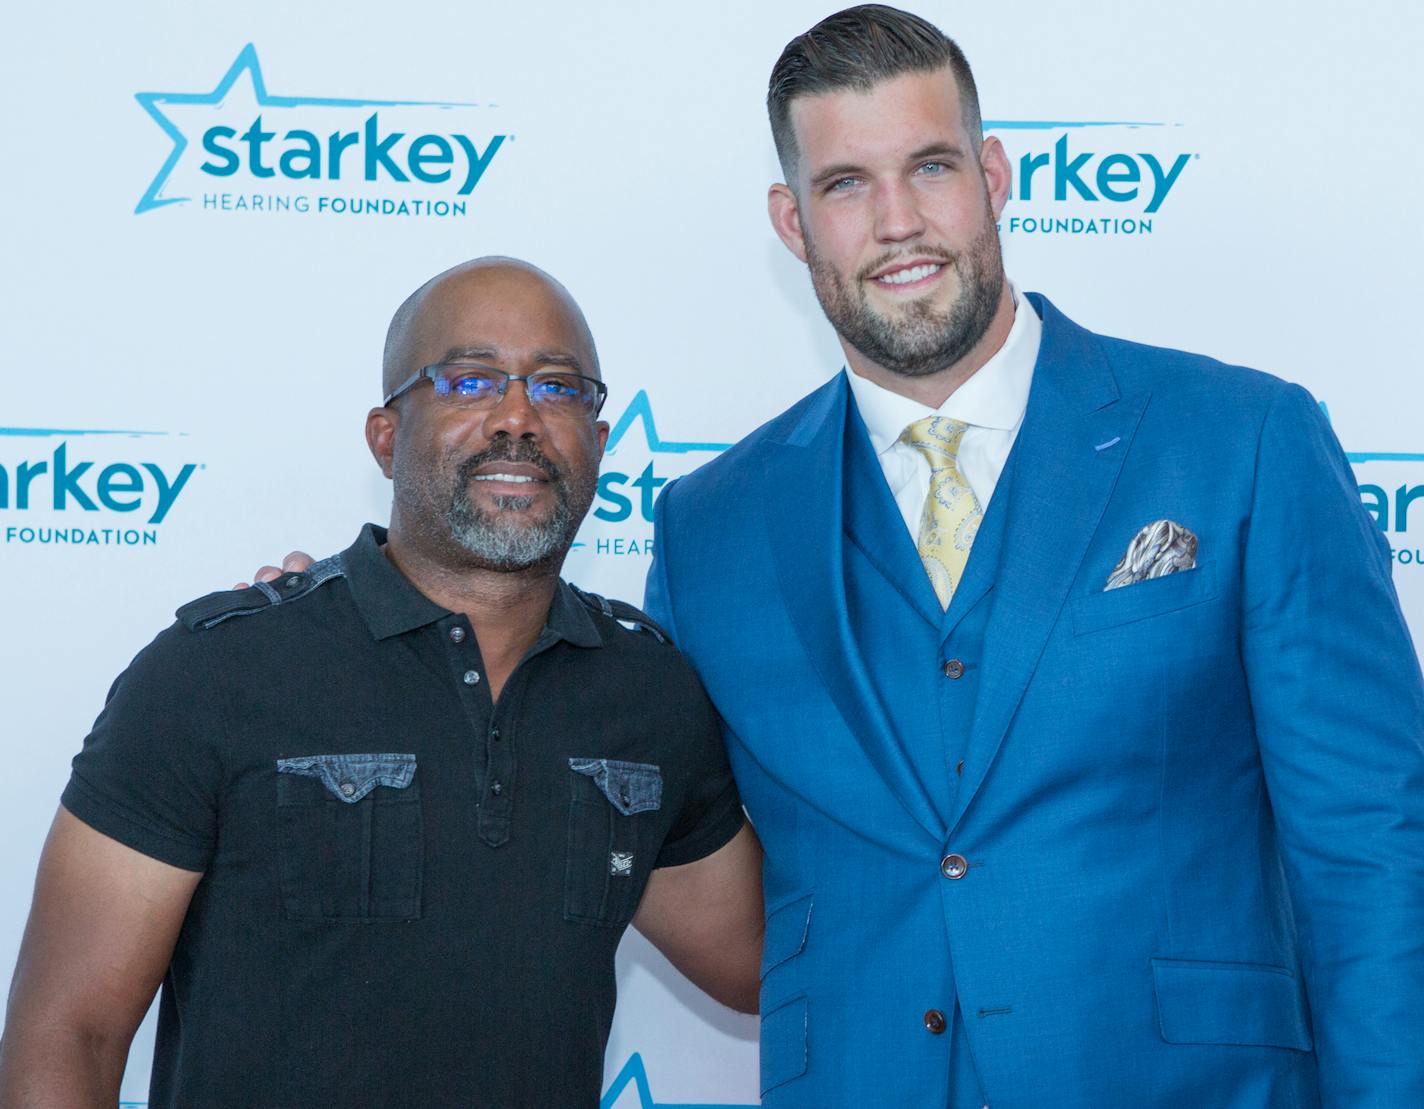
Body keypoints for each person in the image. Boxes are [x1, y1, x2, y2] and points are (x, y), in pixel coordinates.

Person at [639, 6, 1424, 1107]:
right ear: (791, 219)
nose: (898, 222)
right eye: (846, 184)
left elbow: (1369, 848)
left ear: (995, 173)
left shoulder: (1238, 439)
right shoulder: (704, 526)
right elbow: (646, 803)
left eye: (930, 166)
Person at [0, 258, 763, 1109]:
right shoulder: (216, 673)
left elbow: (764, 964)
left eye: (558, 389)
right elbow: (69, 1031)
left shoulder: (648, 694)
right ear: (386, 434)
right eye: (470, 380)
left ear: (600, 439)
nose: (518, 417)